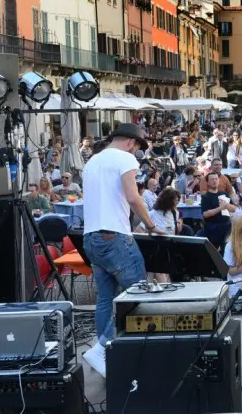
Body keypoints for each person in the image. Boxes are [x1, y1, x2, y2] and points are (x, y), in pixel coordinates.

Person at [81, 124, 160, 378]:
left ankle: (104, 353)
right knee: (137, 296)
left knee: (105, 297)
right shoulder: (125, 158)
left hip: (91, 237)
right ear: (130, 143)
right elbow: (133, 196)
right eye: (137, 147)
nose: (136, 152)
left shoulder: (93, 160)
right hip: (114, 236)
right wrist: (150, 224)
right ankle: (104, 348)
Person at [201, 172, 237, 248]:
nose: (214, 181)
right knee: (213, 250)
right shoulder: (206, 197)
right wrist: (220, 208)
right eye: (212, 179)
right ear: (207, 182)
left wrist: (227, 205)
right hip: (213, 228)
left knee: (226, 248)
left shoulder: (224, 194)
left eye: (216, 179)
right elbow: (205, 214)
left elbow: (233, 209)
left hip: (226, 226)